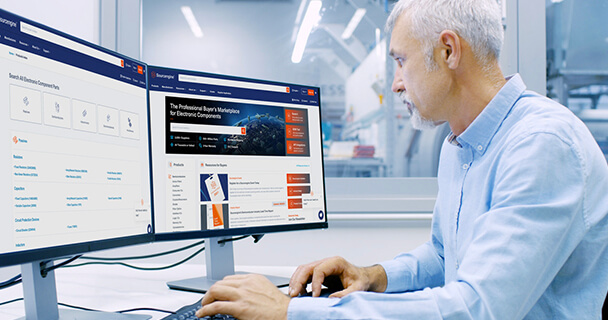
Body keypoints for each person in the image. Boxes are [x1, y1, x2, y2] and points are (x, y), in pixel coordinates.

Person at [196, 0, 608, 318]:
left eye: (400, 61)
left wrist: (291, 311)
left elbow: (477, 309)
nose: (394, 84)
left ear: (448, 51)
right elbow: (445, 256)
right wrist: (372, 276)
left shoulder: (542, 145)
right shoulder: (461, 145)